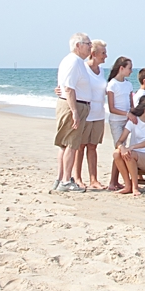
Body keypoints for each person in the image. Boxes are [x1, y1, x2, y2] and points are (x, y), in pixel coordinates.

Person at [54, 33, 93, 193]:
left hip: (75, 104)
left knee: (67, 144)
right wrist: (75, 111)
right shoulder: (73, 61)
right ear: (78, 45)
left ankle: (62, 178)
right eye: (88, 43)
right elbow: (69, 88)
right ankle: (65, 180)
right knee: (70, 144)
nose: (90, 46)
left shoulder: (76, 62)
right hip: (74, 105)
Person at [112, 94, 145, 197]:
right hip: (134, 154)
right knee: (117, 153)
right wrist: (122, 148)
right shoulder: (133, 121)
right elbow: (120, 141)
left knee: (131, 154)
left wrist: (131, 147)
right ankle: (128, 185)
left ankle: (134, 187)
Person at [74, 40, 108, 190]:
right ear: (93, 54)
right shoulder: (83, 69)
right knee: (80, 147)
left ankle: (94, 179)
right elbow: (71, 86)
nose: (105, 56)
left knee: (93, 146)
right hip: (85, 113)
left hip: (99, 113)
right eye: (103, 53)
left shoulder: (102, 71)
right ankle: (77, 178)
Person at [106, 56, 135, 191]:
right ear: (121, 68)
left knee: (122, 151)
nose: (131, 71)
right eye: (129, 68)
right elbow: (111, 108)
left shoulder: (128, 84)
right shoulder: (112, 84)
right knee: (119, 149)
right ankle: (113, 181)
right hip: (116, 121)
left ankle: (115, 181)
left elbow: (131, 104)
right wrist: (126, 114)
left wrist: (133, 115)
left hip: (127, 121)